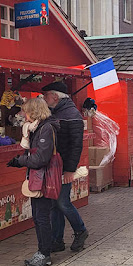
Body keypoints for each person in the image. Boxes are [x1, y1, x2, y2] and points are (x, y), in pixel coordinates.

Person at [7, 98, 59, 266]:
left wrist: (21, 161)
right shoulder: (35, 128)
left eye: (26, 111)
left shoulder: (45, 129)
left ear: (34, 112)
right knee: (38, 217)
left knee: (42, 217)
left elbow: (41, 159)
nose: (24, 115)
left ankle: (45, 254)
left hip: (43, 177)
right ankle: (42, 251)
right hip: (37, 176)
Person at [41, 81, 89, 252]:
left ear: (55, 96)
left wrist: (70, 169)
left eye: (46, 95)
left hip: (64, 166)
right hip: (55, 165)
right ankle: (57, 240)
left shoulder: (71, 114)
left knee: (62, 203)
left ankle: (80, 230)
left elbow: (76, 145)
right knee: (55, 203)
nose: (44, 98)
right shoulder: (58, 112)